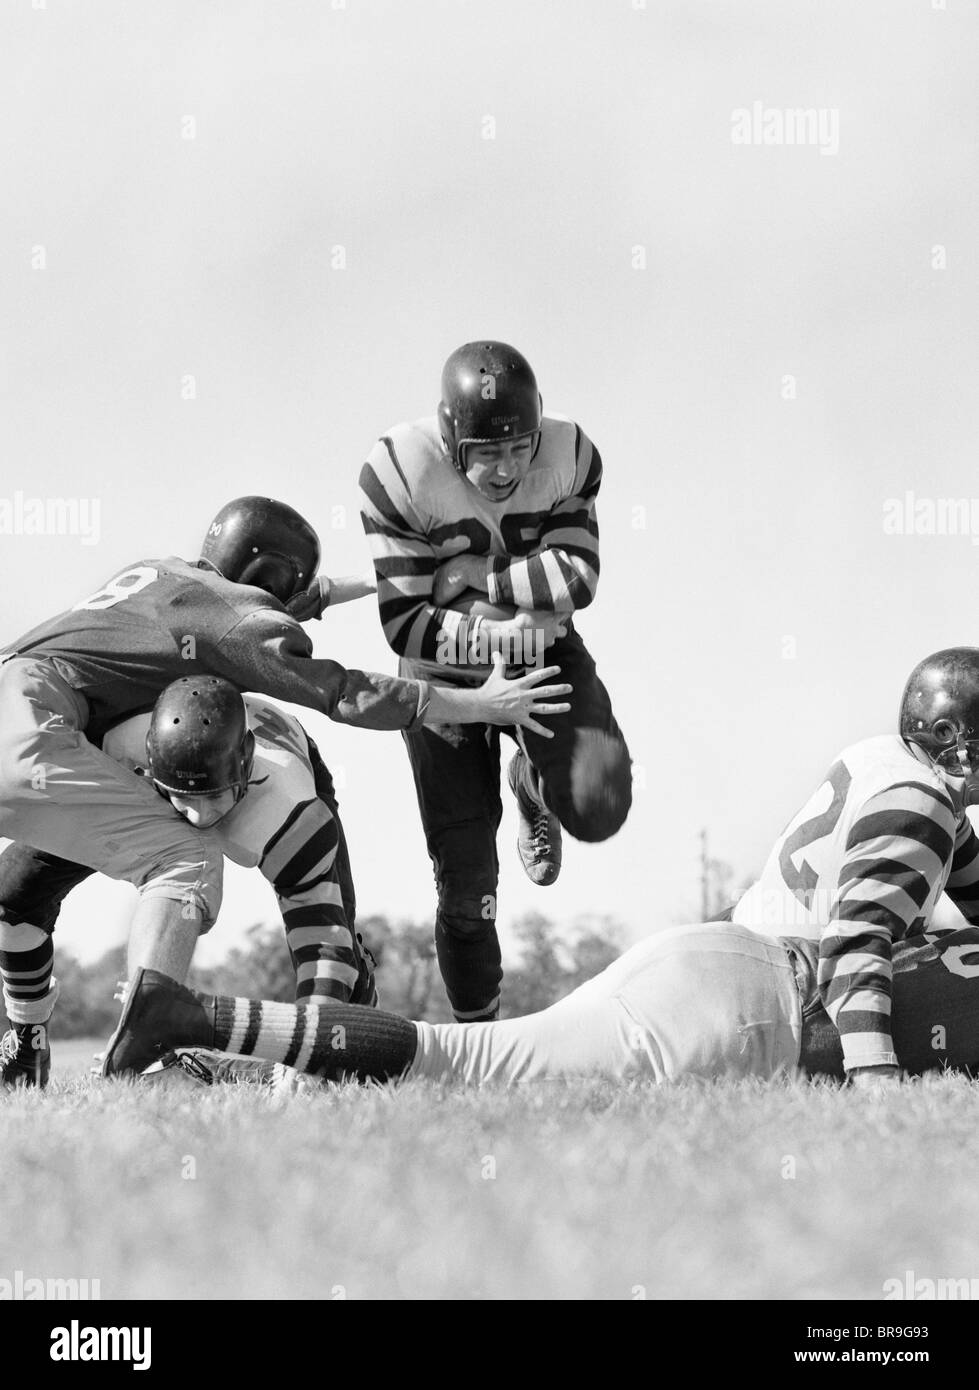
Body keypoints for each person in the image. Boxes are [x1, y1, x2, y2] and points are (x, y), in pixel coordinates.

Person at [0, 496, 571, 1084]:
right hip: (36, 734)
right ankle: (145, 1051)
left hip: (23, 703)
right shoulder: (229, 628)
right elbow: (345, 691)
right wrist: (479, 703)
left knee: (15, 892)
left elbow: (301, 599)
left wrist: (395, 578)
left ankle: (26, 1043)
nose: (199, 814)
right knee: (183, 855)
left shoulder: (169, 577)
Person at [359, 340, 631, 1022]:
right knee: (465, 878)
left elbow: (578, 577)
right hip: (445, 677)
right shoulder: (396, 472)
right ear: (452, 441)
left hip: (543, 651)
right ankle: (479, 1035)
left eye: (519, 448)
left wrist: (482, 577)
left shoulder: (570, 456)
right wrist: (498, 632)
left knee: (599, 803)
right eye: (487, 451)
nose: (506, 467)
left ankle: (531, 783)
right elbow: (403, 624)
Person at [99, 917, 979, 1088]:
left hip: (726, 954)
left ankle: (233, 1065)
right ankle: (186, 1016)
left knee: (471, 1060)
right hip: (749, 1013)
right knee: (464, 1059)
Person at [732, 647, 979, 1088]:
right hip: (795, 999)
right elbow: (854, 940)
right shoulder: (921, 807)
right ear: (949, 734)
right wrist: (874, 1070)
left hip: (757, 961)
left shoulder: (890, 760)